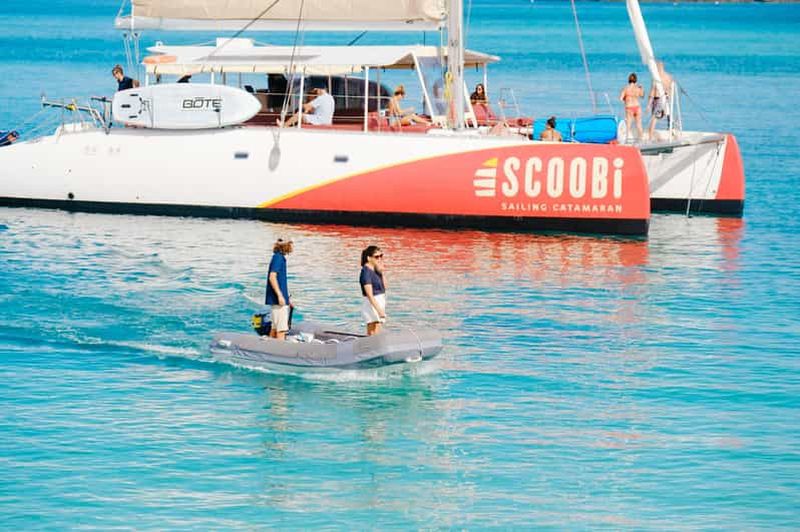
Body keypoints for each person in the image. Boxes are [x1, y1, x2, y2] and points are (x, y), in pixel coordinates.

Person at [265, 238, 293, 340]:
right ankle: (280, 347)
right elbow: (272, 277)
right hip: (278, 300)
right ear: (286, 246)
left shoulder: (278, 257)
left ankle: (270, 346)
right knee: (281, 329)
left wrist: (287, 299)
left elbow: (280, 281)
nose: (292, 247)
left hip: (279, 299)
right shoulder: (278, 258)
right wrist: (280, 296)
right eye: (290, 244)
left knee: (275, 327)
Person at [360, 245, 387, 336]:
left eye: (381, 256)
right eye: (376, 257)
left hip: (379, 300)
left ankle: (377, 343)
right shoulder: (366, 272)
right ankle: (370, 344)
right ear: (369, 258)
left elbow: (384, 287)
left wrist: (382, 272)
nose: (379, 259)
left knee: (378, 326)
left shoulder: (376, 269)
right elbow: (369, 294)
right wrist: (379, 310)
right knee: (373, 328)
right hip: (371, 303)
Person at [647, 61, 674, 139]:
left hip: (658, 99)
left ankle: (650, 137)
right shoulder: (669, 76)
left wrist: (648, 104)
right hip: (666, 99)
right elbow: (670, 88)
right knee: (668, 116)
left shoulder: (656, 77)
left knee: (654, 119)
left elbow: (652, 91)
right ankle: (672, 133)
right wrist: (668, 98)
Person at [619, 73, 644, 141]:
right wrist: (642, 88)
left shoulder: (625, 88)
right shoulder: (638, 88)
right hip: (637, 107)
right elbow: (642, 96)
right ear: (636, 80)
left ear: (629, 80)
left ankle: (626, 139)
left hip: (629, 107)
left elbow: (621, 98)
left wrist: (625, 99)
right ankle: (641, 139)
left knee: (628, 125)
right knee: (639, 124)